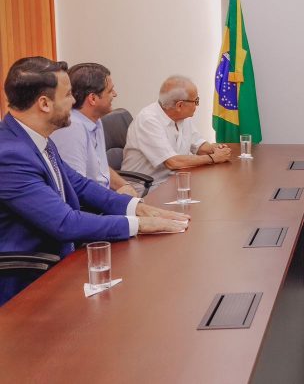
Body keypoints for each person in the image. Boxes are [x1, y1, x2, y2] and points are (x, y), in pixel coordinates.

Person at [0, 57, 190, 306]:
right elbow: (65, 223)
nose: (74, 101)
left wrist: (137, 207)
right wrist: (140, 224)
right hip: (31, 282)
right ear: (44, 103)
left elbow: (79, 185)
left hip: (63, 261)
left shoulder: (35, 138)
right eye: (68, 95)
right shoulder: (10, 154)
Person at [122, 75, 231, 190]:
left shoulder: (182, 116)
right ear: (179, 105)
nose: (197, 105)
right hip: (148, 187)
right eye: (196, 101)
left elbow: (199, 145)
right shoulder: (148, 120)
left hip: (174, 180)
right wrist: (213, 158)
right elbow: (173, 162)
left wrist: (216, 150)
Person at [50, 63, 138, 196]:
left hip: (103, 200)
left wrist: (125, 185)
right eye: (110, 91)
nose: (115, 94)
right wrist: (116, 199)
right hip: (91, 209)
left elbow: (100, 169)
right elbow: (76, 190)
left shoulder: (95, 121)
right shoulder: (71, 128)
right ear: (92, 99)